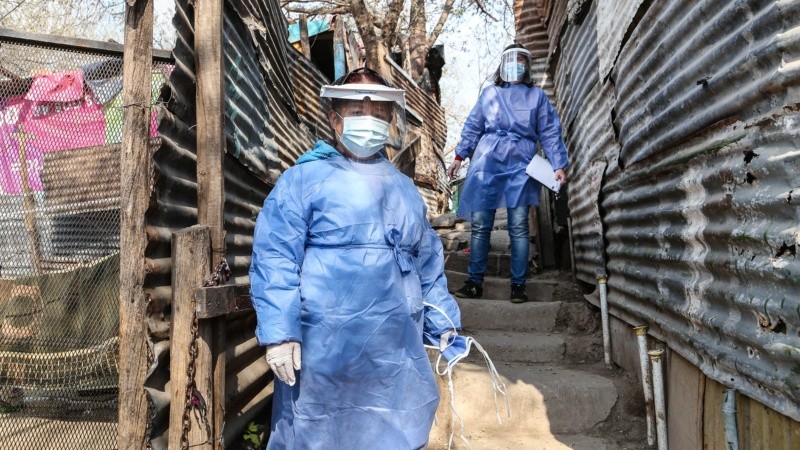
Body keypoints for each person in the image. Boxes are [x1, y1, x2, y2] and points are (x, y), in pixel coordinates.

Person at [249, 67, 461, 449]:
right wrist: (279, 331)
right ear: (334, 119)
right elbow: (275, 256)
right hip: (324, 354)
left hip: (394, 353)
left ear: (390, 120)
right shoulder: (303, 181)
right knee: (319, 433)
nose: (370, 121)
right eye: (358, 112)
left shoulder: (406, 190)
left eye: (378, 113)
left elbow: (427, 265)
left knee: (394, 433)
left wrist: (444, 322)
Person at [446, 43, 569, 303]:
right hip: (487, 161)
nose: (516, 64)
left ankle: (518, 285)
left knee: (518, 226)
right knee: (480, 224)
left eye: (521, 60)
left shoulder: (536, 96)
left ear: (528, 65)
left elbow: (549, 131)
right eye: (512, 59)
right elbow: (473, 125)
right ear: (502, 65)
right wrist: (458, 156)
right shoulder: (489, 93)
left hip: (521, 162)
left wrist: (558, 164)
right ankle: (474, 282)